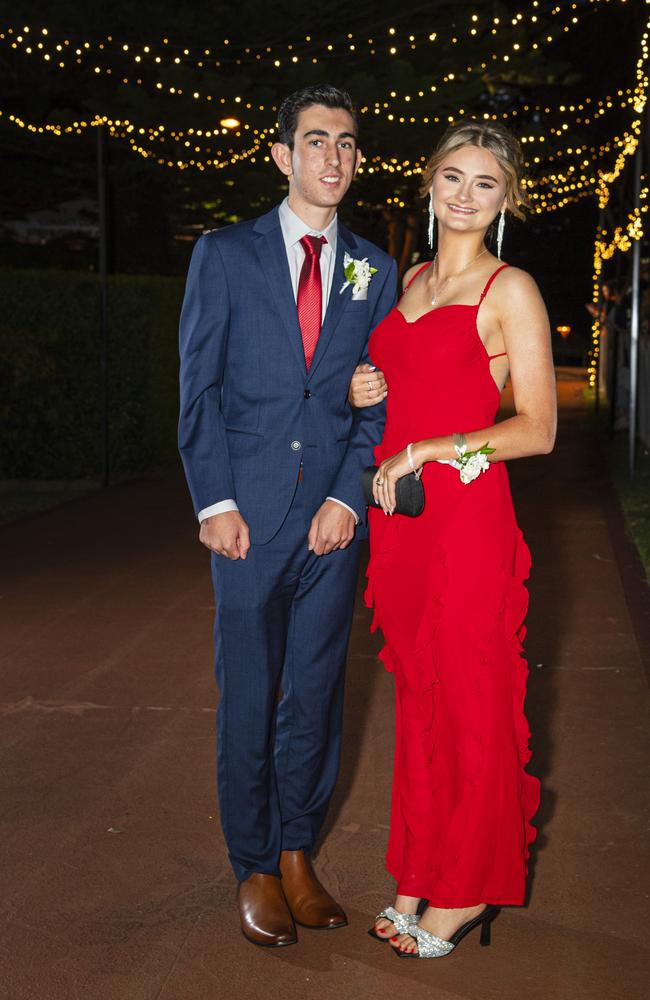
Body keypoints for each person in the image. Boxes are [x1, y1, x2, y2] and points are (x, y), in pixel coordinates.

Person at [178, 84, 397, 948]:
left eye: (346, 143)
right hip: (248, 520)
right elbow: (198, 389)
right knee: (248, 701)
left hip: (331, 527)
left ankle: (299, 851)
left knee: (315, 695)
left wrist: (349, 497)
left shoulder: (372, 270)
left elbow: (376, 404)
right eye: (316, 142)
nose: (333, 158)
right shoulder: (225, 254)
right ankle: (255, 866)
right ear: (281, 156)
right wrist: (216, 503)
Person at [349, 120, 556, 959]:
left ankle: (466, 889)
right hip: (403, 526)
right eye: (453, 178)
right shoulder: (413, 278)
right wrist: (373, 385)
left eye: (485, 184)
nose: (465, 196)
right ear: (429, 184)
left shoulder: (511, 289)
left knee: (471, 702)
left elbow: (537, 429)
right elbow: (410, 389)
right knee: (418, 701)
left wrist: (437, 449)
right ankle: (416, 872)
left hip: (468, 523)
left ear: (507, 200)